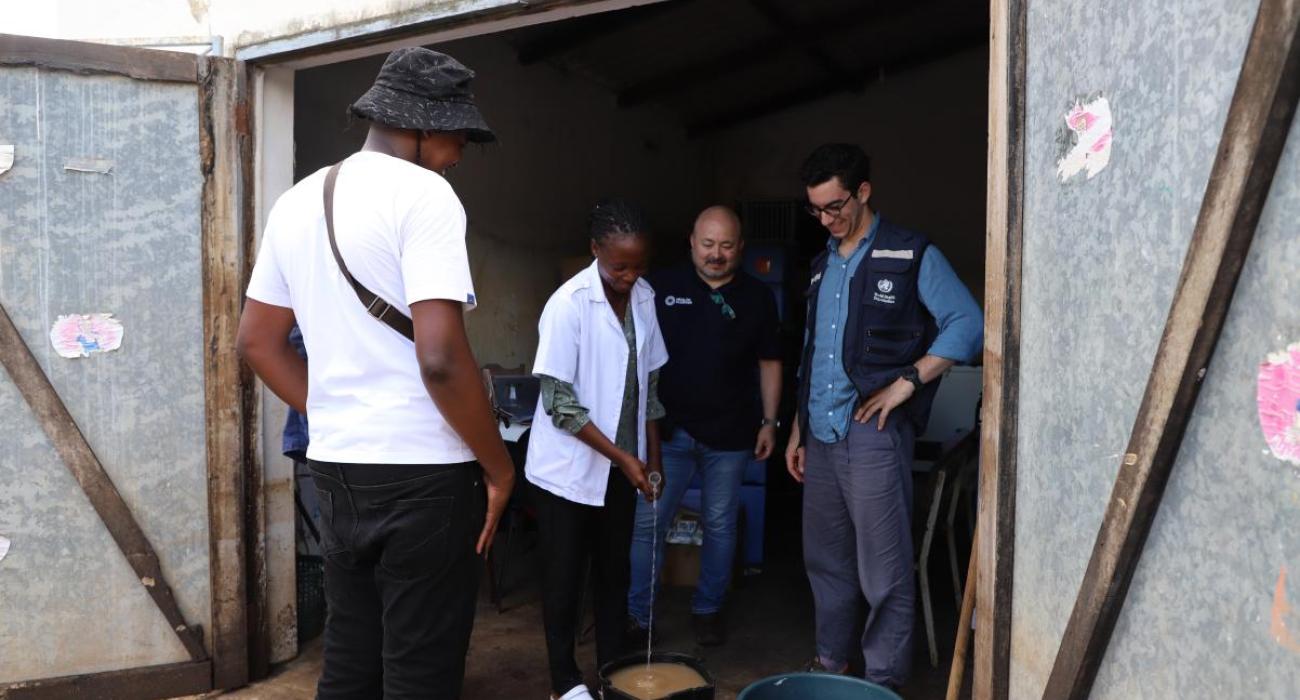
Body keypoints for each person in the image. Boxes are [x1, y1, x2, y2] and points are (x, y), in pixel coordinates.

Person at [236, 47, 515, 700]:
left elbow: (258, 342)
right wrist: (500, 469)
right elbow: (442, 360)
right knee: (420, 672)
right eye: (457, 136)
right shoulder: (428, 197)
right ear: (418, 127)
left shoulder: (298, 201)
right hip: (427, 478)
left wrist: (331, 413)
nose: (460, 153)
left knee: (352, 662)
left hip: (336, 471)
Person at [783, 143, 982, 689]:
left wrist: (909, 380)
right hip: (821, 436)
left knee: (884, 571)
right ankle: (831, 661)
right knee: (825, 561)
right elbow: (812, 352)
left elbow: (967, 323)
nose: (826, 220)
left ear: (863, 191)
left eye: (835, 206)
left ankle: (884, 681)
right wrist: (799, 428)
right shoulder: (823, 265)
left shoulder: (911, 252)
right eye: (815, 210)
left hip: (872, 434)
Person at [526, 199, 668, 700]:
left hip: (624, 471)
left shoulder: (646, 299)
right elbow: (560, 403)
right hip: (568, 471)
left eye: (639, 265)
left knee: (615, 573)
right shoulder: (568, 304)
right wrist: (625, 458)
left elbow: (649, 387)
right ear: (595, 250)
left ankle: (612, 670)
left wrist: (652, 458)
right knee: (564, 579)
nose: (630, 276)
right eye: (619, 266)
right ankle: (564, 680)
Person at [627, 205, 781, 646]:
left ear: (741, 248)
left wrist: (770, 422)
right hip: (667, 434)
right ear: (692, 242)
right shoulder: (658, 286)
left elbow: (770, 362)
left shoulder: (757, 296)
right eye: (708, 244)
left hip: (731, 435)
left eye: (727, 245)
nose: (717, 254)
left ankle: (708, 609)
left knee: (719, 523)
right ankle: (639, 615)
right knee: (648, 524)